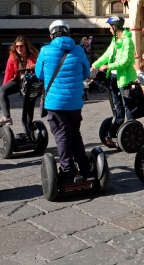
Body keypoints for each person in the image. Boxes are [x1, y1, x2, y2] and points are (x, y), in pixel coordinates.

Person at [35, 20, 91, 182]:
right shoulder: (79, 50)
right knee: (75, 133)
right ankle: (85, 168)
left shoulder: (45, 50)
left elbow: (39, 74)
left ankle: (68, 171)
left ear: (51, 35)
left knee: (62, 136)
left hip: (55, 103)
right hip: (74, 102)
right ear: (68, 33)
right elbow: (86, 73)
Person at [91, 16, 137, 144]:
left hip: (125, 79)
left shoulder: (127, 41)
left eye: (110, 27)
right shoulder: (114, 40)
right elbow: (107, 55)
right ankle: (114, 133)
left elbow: (126, 61)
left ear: (115, 27)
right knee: (117, 107)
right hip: (113, 78)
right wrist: (95, 64)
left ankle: (131, 133)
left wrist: (108, 66)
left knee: (127, 106)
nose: (109, 30)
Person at [0, 36, 38, 126]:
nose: (19, 48)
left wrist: (34, 66)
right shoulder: (13, 56)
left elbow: (40, 68)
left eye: (21, 46)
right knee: (1, 91)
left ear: (26, 46)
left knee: (29, 105)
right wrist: (4, 85)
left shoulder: (34, 55)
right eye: (16, 46)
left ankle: (28, 129)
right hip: (18, 81)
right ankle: (7, 117)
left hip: (31, 82)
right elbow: (8, 72)